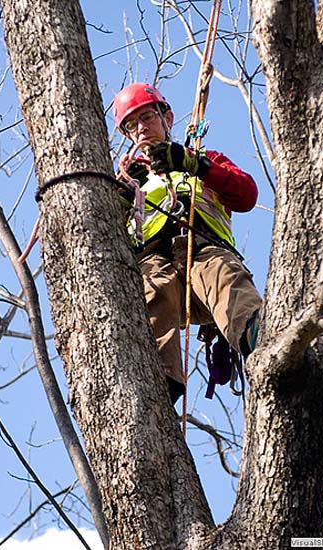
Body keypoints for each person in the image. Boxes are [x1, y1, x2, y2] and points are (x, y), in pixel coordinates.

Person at [113, 82, 262, 404]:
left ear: (167, 116)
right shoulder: (130, 180)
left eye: (147, 117)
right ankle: (161, 381)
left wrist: (195, 165)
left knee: (223, 275)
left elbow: (246, 195)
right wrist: (123, 198)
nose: (141, 128)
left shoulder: (201, 158)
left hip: (202, 248)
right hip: (155, 260)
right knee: (153, 292)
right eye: (131, 125)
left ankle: (256, 333)